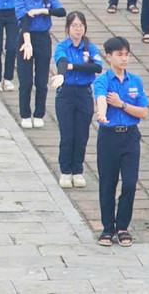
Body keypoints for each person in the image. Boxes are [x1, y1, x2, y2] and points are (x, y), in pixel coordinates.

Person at [93, 36, 149, 247]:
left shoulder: (135, 81)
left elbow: (144, 112)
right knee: (107, 183)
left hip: (130, 136)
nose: (124, 59)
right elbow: (101, 98)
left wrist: (122, 104)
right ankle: (108, 227)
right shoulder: (103, 81)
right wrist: (101, 113)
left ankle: (123, 226)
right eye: (119, 55)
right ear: (109, 57)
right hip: (109, 137)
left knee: (130, 182)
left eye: (126, 54)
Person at [51, 11, 102, 187]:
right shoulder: (62, 46)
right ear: (67, 28)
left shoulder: (90, 48)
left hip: (84, 93)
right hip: (66, 93)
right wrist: (62, 74)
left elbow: (97, 67)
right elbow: (62, 62)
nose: (78, 29)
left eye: (81, 26)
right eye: (74, 26)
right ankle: (65, 171)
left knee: (81, 135)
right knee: (67, 135)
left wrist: (73, 66)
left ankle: (77, 170)